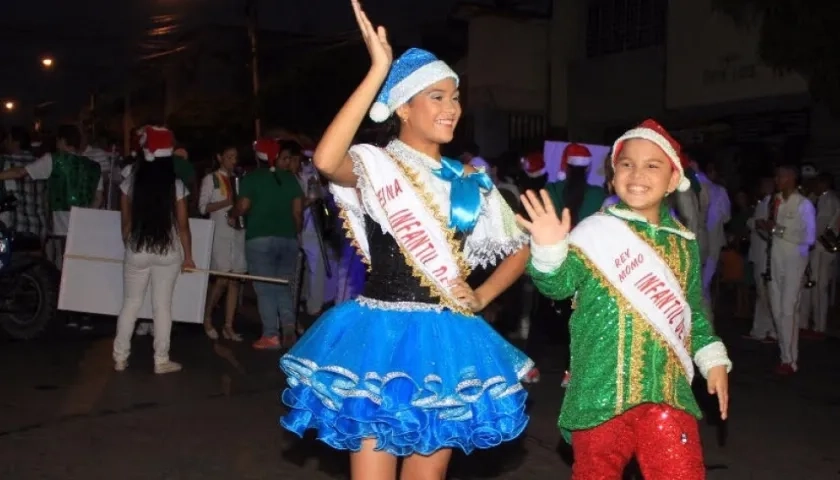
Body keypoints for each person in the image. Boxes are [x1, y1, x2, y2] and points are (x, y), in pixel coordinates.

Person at [279, 3, 532, 478]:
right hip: (376, 339)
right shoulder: (377, 166)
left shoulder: (469, 179)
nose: (452, 108)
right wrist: (377, 71)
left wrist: (482, 296)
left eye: (455, 97)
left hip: (446, 343)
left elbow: (519, 248)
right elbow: (328, 160)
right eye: (436, 96)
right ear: (402, 106)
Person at [519, 119, 731, 479]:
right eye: (627, 164)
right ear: (612, 175)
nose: (637, 174)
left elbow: (691, 310)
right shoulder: (594, 231)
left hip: (667, 390)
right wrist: (549, 249)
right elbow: (557, 285)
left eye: (652, 165)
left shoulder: (684, 242)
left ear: (671, 179)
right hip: (600, 389)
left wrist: (712, 358)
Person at [112, 126, 195, 374]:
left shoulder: (130, 182)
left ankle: (120, 358)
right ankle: (161, 359)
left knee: (130, 304)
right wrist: (188, 257)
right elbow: (183, 227)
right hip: (168, 251)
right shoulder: (176, 185)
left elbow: (125, 223)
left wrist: (129, 243)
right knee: (162, 306)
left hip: (138, 248)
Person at [228, 138, 303, 350]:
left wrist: (232, 215)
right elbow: (298, 213)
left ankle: (271, 334)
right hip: (287, 239)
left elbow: (243, 205)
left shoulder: (251, 179)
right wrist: (294, 233)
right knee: (282, 285)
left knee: (265, 289)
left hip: (259, 240)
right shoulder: (291, 179)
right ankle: (288, 323)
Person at [756, 163, 816, 374]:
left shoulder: (804, 204)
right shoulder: (777, 201)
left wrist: (777, 229)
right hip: (776, 260)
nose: (777, 180)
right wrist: (765, 229)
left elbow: (809, 238)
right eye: (777, 176)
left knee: (788, 310)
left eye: (781, 176)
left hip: (794, 262)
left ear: (791, 178)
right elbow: (772, 234)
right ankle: (784, 354)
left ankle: (790, 360)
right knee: (778, 310)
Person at [199, 142, 246, 341]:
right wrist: (227, 203)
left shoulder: (240, 180)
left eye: (235, 157)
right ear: (220, 158)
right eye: (229, 157)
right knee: (222, 279)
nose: (233, 161)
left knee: (235, 280)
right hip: (219, 233)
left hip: (238, 234)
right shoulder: (212, 179)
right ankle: (207, 317)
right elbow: (203, 207)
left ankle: (228, 325)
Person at [800, 172, 840, 339]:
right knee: (814, 286)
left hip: (823, 248)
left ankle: (819, 326)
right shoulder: (823, 198)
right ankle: (813, 324)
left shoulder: (828, 199)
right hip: (820, 247)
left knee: (819, 287)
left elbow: (820, 225)